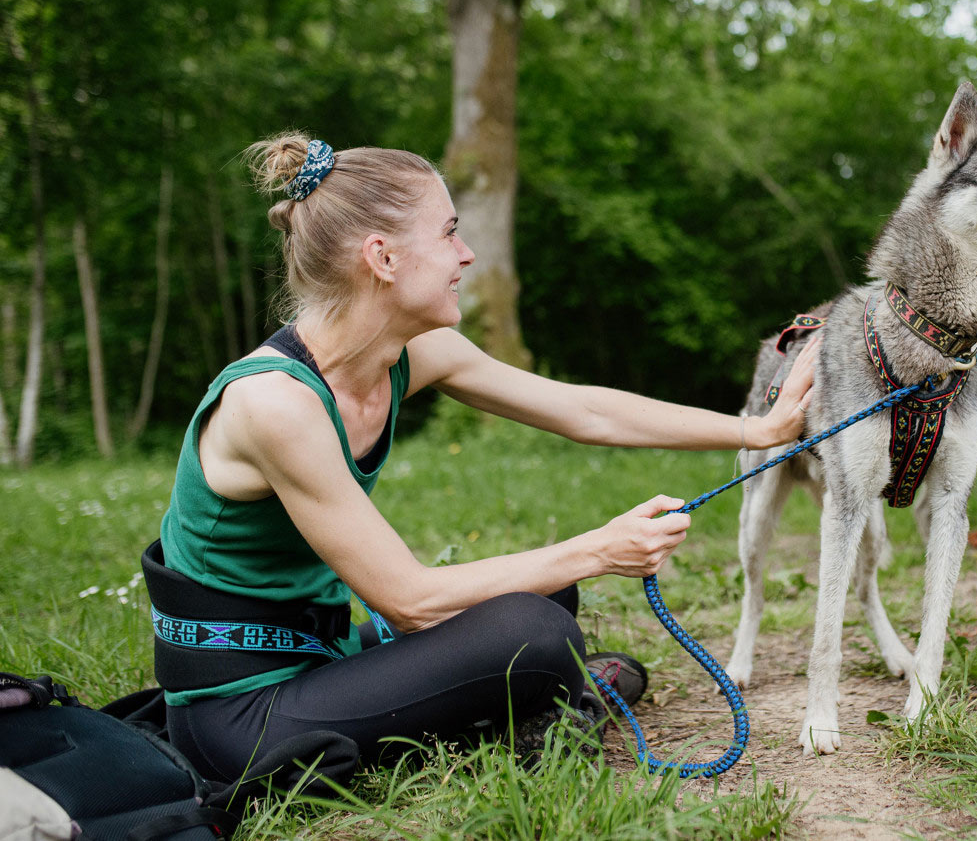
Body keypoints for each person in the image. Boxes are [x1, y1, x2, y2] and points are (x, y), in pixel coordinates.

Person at [147, 135, 819, 783]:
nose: (466, 255)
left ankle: (543, 700)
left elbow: (584, 410)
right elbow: (410, 601)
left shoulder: (409, 351)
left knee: (544, 596)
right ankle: (548, 702)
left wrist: (758, 431)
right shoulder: (274, 402)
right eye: (448, 233)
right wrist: (603, 549)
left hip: (330, 654)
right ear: (382, 258)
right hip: (239, 717)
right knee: (532, 625)